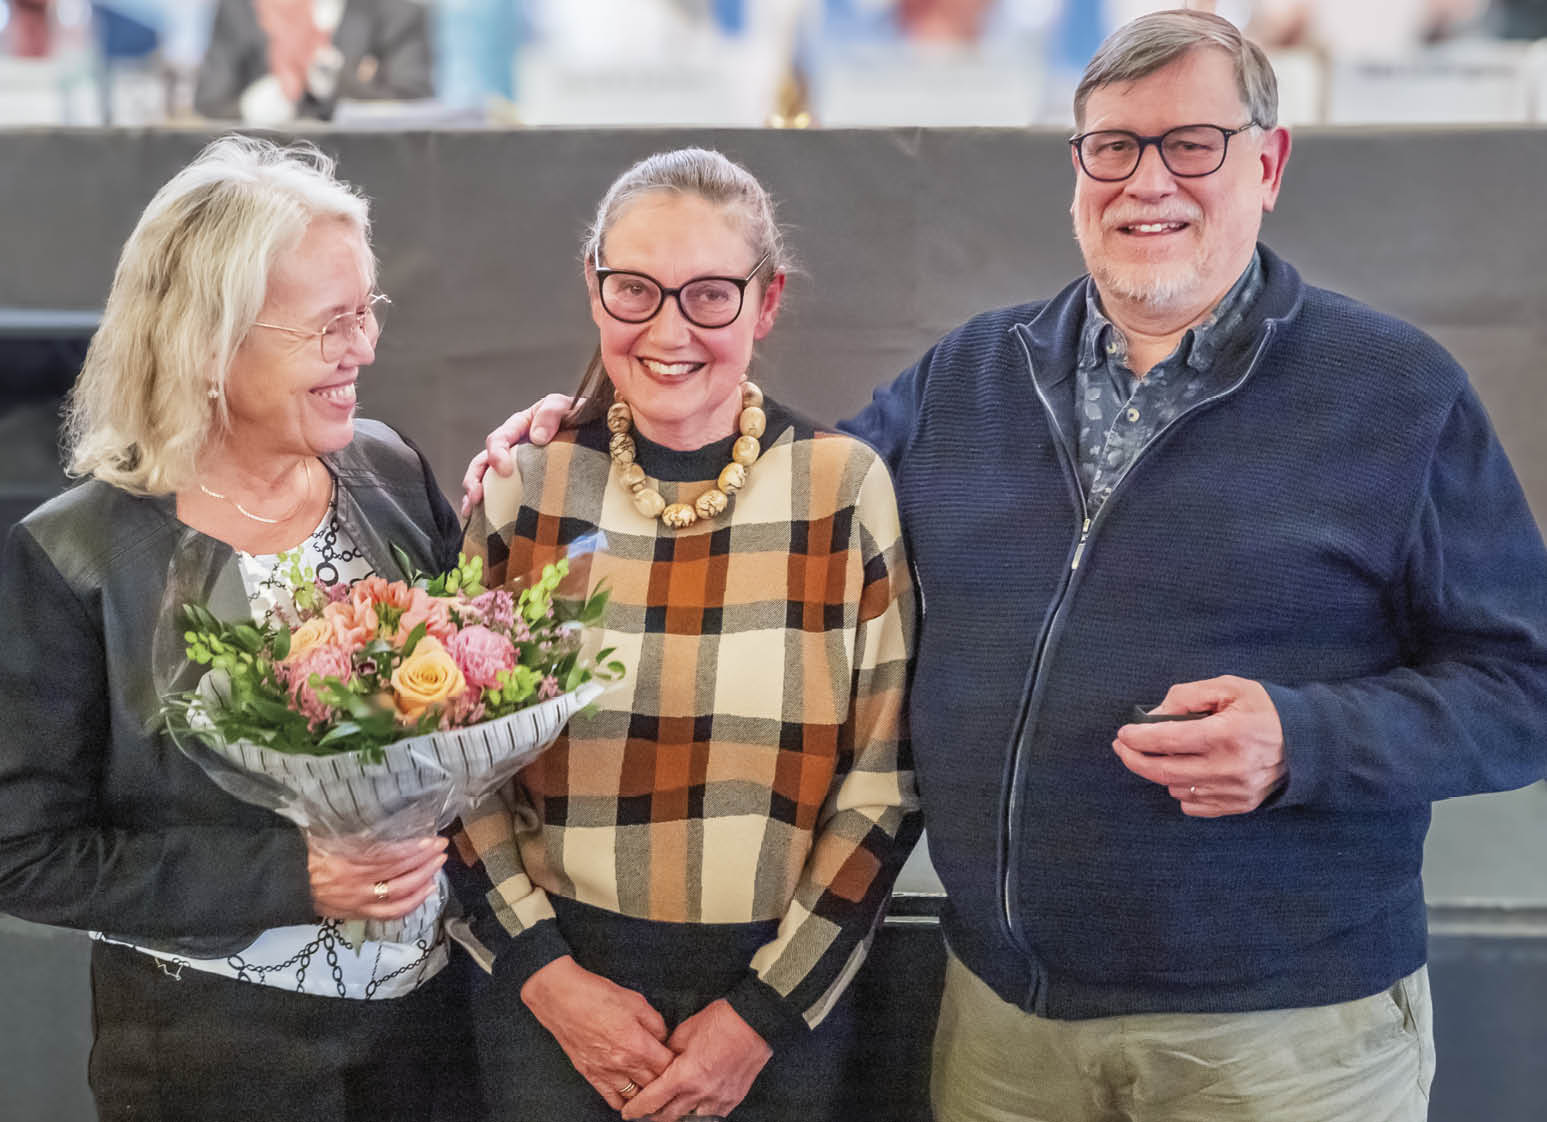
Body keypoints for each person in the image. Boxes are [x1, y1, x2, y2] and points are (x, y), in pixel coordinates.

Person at [463, 11, 1547, 1121]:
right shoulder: (974, 374)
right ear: (1074, 171)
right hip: (1004, 1030)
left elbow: (1525, 690)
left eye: (1190, 144)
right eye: (1111, 146)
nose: (1144, 181)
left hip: (1273, 1039)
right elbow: (761, 486)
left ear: (1265, 163)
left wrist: (1301, 742)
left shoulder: (1392, 392)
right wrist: (597, 421)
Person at [0, 136, 477, 1122]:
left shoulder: (386, 472)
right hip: (216, 1057)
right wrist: (293, 878)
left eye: (367, 311)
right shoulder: (75, 555)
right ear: (208, 342)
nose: (366, 347)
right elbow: (24, 853)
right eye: (330, 323)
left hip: (432, 1032)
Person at [447, 147, 920, 1122]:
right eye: (634, 290)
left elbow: (881, 787)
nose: (668, 329)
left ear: (767, 300)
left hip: (773, 1011)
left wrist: (758, 1017)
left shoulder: (842, 492)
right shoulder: (524, 489)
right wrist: (543, 977)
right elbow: (452, 776)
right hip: (550, 1001)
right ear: (593, 288)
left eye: (709, 295)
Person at [194, 0, 433, 124]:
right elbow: (210, 101)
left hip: (364, 169)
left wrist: (334, 81)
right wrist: (252, 107)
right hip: (261, 178)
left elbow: (415, 105)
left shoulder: (398, 14)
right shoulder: (243, 9)